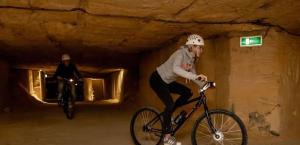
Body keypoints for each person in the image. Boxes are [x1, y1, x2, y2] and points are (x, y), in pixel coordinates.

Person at [149, 34, 207, 145]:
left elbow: (194, 75)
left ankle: (169, 114)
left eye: (201, 47)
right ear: (192, 46)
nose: (201, 50)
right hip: (157, 79)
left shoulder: (192, 59)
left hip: (168, 81)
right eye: (199, 47)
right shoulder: (180, 54)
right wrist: (195, 76)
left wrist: (205, 85)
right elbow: (176, 69)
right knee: (169, 104)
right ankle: (166, 137)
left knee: (187, 93)